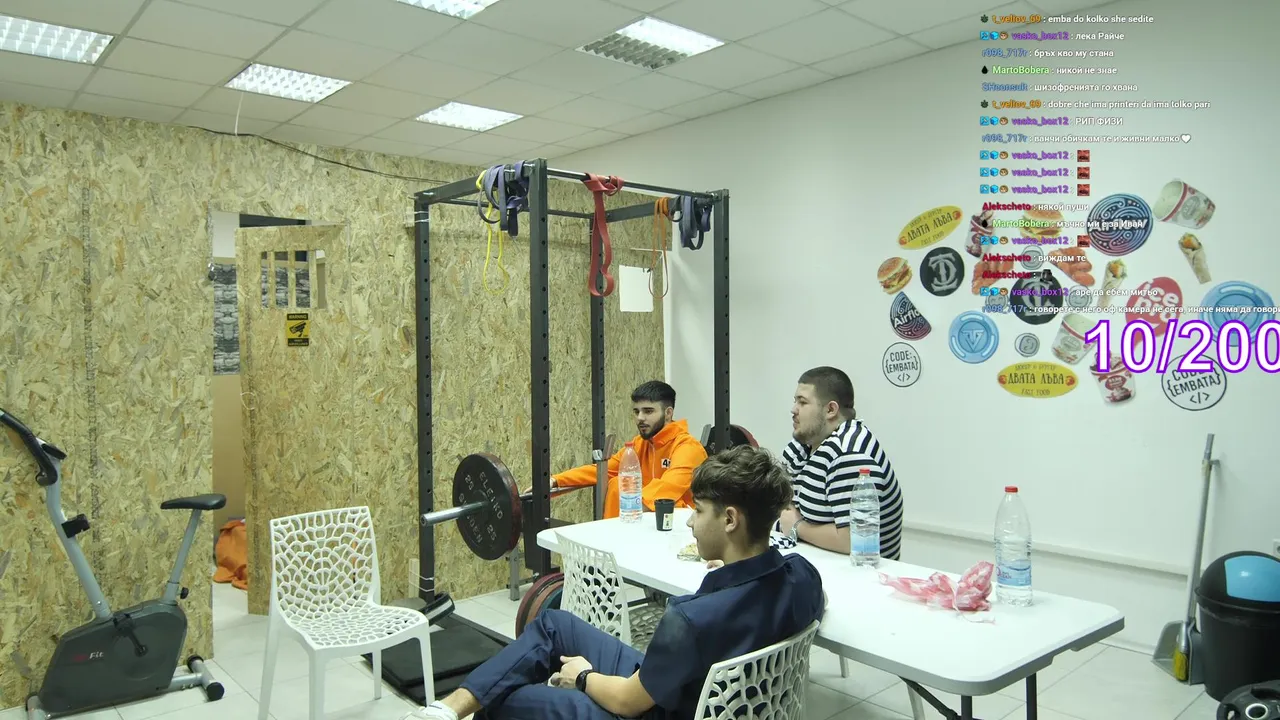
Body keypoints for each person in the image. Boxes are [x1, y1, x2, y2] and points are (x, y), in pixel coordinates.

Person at [403, 445, 824, 720]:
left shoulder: (691, 619)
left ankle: (476, 705)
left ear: (730, 520)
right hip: (681, 689)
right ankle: (447, 709)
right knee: (554, 625)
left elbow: (627, 701)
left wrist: (582, 677)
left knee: (503, 702)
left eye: (698, 511)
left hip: (650, 707)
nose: (691, 522)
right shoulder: (803, 576)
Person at [777, 366, 905, 560]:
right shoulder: (804, 443)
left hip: (858, 575)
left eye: (802, 402)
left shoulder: (848, 454)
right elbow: (781, 503)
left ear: (830, 410)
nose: (793, 410)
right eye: (795, 401)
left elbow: (853, 540)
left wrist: (798, 527)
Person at [550, 380, 707, 519]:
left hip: (680, 528)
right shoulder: (640, 444)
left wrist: (627, 511)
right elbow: (604, 469)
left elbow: (668, 488)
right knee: (617, 483)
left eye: (648, 411)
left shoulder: (687, 447)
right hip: (643, 521)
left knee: (655, 499)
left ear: (668, 413)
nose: (640, 418)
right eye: (636, 411)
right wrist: (556, 480)